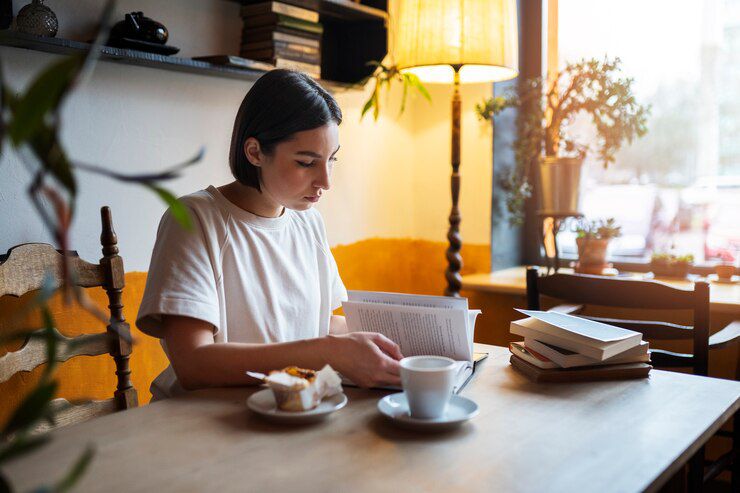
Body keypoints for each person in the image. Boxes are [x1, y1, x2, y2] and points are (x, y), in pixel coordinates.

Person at [136, 70, 403, 399]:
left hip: (287, 413)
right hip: (200, 421)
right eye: (307, 162)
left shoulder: (308, 224)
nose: (326, 181)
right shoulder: (195, 219)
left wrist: (406, 344)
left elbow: (320, 325)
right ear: (255, 152)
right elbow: (193, 364)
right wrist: (329, 352)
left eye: (331, 160)